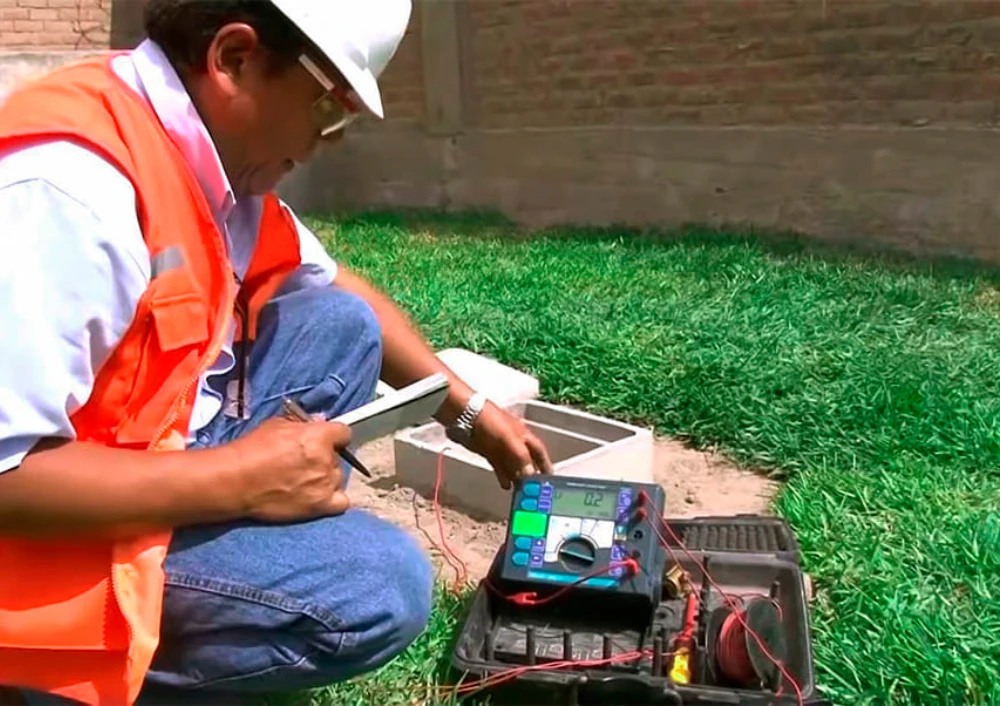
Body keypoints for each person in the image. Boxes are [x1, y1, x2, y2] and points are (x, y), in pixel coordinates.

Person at [0, 1, 554, 704]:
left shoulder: (194, 151)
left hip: (142, 458)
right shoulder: (69, 194)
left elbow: (334, 283)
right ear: (234, 58)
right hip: (38, 542)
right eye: (331, 107)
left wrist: (467, 410)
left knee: (340, 325)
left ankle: (234, 566)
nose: (331, 140)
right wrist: (240, 480)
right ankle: (47, 678)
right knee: (376, 587)